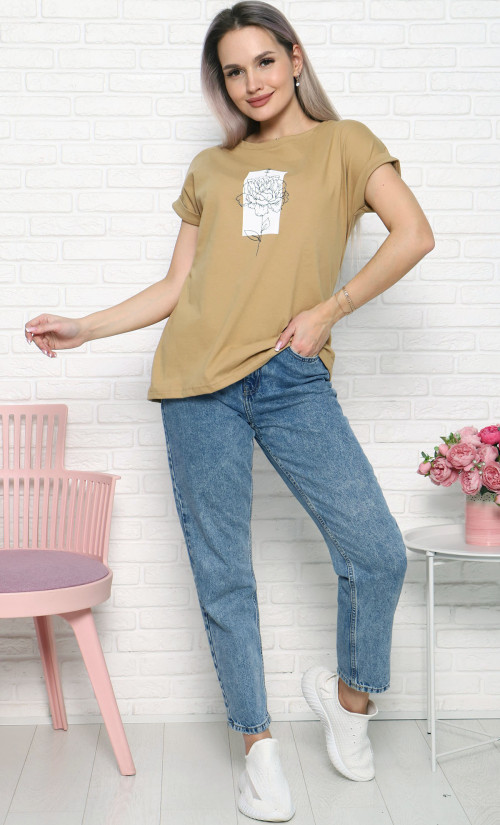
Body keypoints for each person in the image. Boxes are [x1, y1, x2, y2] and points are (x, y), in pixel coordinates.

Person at [25, 2, 434, 821]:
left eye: (264, 62)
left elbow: (413, 233)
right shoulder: (211, 169)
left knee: (377, 550)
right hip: (194, 385)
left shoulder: (347, 144)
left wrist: (329, 309)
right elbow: (179, 287)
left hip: (290, 375)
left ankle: (350, 702)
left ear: (295, 58)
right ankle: (258, 749)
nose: (252, 82)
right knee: (225, 573)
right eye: (234, 71)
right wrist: (86, 327)